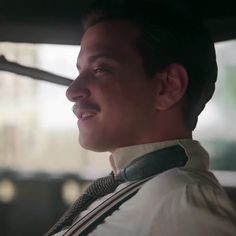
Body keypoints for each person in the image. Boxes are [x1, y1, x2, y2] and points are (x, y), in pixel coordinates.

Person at [45, 1, 236, 235]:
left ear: (168, 86)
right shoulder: (142, 191)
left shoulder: (184, 202)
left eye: (100, 69)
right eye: (80, 72)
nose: (72, 91)